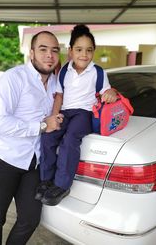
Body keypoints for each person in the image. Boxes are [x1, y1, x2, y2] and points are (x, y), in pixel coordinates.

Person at [0, 31, 64, 245]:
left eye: (54, 50)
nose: (49, 55)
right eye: (43, 49)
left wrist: (109, 90)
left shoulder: (55, 83)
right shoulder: (14, 78)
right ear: (32, 53)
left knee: (30, 218)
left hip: (32, 163)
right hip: (0, 159)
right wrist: (42, 126)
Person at [35, 24, 117, 206]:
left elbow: (108, 91)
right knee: (48, 137)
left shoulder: (98, 72)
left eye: (89, 50)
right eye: (79, 49)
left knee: (70, 139)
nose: (84, 54)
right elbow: (59, 95)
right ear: (71, 51)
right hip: (65, 111)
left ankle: (62, 185)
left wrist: (111, 92)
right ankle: (46, 180)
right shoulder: (64, 70)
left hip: (85, 114)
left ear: (94, 52)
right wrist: (55, 117)